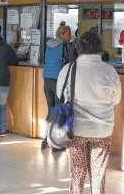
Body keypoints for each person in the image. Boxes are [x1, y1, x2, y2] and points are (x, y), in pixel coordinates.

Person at [57, 31, 121, 194]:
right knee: (98, 172)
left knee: (77, 173)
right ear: (100, 49)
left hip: (75, 129)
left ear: (78, 48)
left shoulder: (68, 69)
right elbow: (116, 100)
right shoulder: (109, 71)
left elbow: (60, 95)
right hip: (102, 130)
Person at [41, 22, 73, 151]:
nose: (70, 37)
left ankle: (45, 140)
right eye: (68, 34)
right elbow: (69, 61)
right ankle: (56, 144)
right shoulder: (65, 45)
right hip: (58, 81)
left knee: (51, 110)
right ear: (61, 34)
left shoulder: (49, 44)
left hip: (47, 80)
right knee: (59, 111)